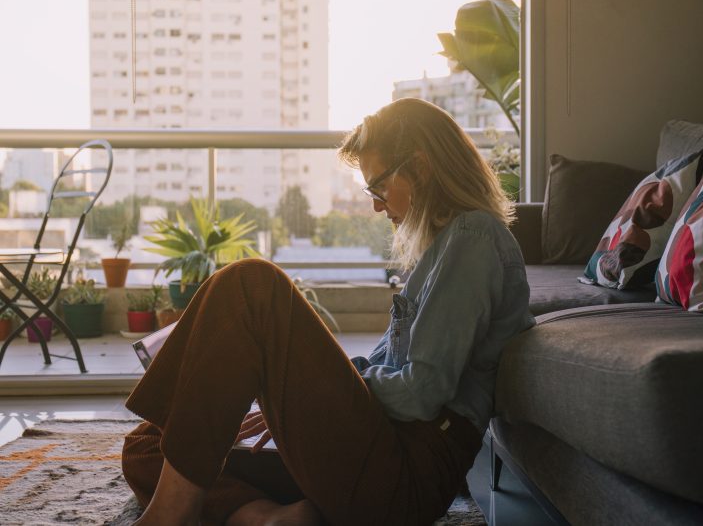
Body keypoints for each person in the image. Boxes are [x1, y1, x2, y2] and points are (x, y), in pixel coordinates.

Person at [121, 97, 534, 526]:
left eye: (379, 187)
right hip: (375, 455)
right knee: (150, 444)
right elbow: (385, 370)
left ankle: (172, 517)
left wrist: (309, 391)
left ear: (421, 167)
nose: (376, 205)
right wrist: (296, 402)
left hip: (405, 477)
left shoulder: (473, 238)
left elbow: (421, 392)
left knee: (251, 285)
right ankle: (264, 517)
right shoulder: (442, 249)